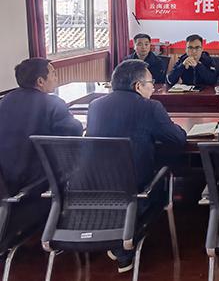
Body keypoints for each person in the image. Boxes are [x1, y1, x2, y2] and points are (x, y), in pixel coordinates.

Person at [88, 60, 186, 273]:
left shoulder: (95, 105)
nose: (153, 88)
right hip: (138, 191)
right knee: (166, 173)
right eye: (151, 83)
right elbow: (177, 139)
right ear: (138, 86)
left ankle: (119, 241)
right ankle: (125, 241)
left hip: (99, 188)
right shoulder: (150, 107)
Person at [0, 58, 83, 195]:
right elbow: (74, 132)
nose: (56, 78)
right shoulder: (52, 103)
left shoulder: (5, 101)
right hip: (38, 178)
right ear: (40, 81)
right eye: (53, 73)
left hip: (6, 179)